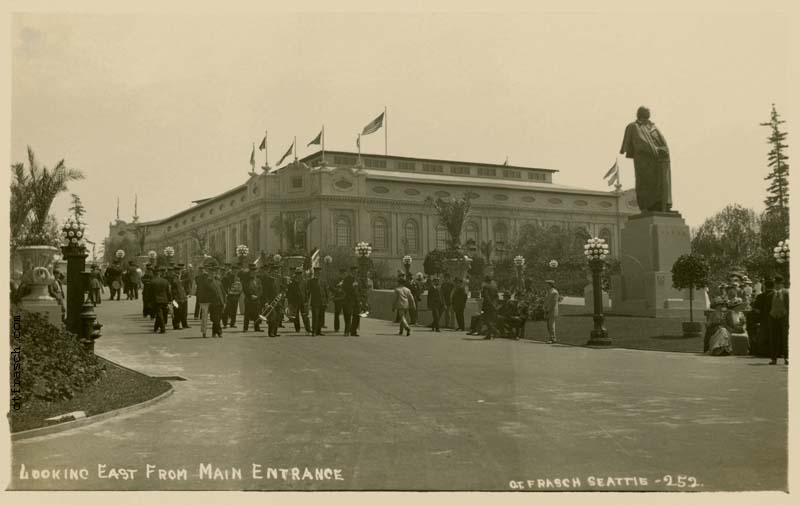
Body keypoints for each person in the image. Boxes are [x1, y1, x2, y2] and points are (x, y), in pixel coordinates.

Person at [619, 105, 672, 213]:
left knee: (662, 184)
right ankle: (649, 205)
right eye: (646, 112)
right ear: (640, 114)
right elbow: (640, 143)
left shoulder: (654, 127)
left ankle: (661, 204)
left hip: (660, 161)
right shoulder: (634, 126)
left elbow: (663, 143)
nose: (648, 114)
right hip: (645, 163)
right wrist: (656, 150)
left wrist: (664, 150)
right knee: (647, 184)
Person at [750, 278, 775, 357]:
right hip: (775, 318)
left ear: (764, 286)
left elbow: (756, 309)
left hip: (763, 318)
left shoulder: (760, 296)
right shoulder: (776, 295)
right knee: (774, 334)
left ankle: (763, 351)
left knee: (764, 335)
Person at [768, 275, 789, 365]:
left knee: (784, 338)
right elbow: (767, 307)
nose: (777, 285)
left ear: (782, 284)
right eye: (775, 284)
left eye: (779, 284)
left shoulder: (786, 294)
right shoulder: (770, 295)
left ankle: (787, 358)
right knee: (773, 338)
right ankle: (774, 358)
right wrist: (770, 314)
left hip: (784, 318)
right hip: (773, 318)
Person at [287, 267, 311, 334]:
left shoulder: (304, 281)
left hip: (303, 301)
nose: (299, 275)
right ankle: (297, 328)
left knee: (305, 315)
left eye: (300, 273)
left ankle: (308, 329)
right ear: (295, 274)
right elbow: (289, 293)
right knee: (296, 316)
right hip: (295, 301)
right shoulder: (292, 282)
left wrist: (306, 300)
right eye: (297, 273)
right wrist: (290, 303)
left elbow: (306, 292)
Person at [261, 264, 282, 338]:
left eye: (277, 271)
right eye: (275, 271)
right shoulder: (268, 280)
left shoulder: (278, 280)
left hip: (278, 301)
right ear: (272, 272)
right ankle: (270, 332)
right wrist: (266, 301)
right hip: (271, 301)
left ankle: (275, 332)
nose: (276, 273)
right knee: (272, 317)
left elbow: (279, 290)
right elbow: (265, 291)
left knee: (277, 317)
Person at [149, 267, 172, 334]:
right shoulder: (165, 281)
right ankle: (156, 327)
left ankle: (163, 328)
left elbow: (150, 293)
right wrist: (170, 299)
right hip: (165, 300)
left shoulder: (152, 281)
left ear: (154, 274)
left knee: (159, 314)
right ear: (159, 274)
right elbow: (168, 292)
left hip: (156, 300)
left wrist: (149, 302)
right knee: (162, 314)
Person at [242, 264, 263, 333]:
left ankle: (257, 328)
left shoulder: (258, 280)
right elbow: (245, 289)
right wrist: (250, 295)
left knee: (257, 314)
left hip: (257, 299)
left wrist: (258, 296)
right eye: (251, 271)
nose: (253, 272)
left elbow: (261, 290)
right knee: (247, 314)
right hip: (249, 299)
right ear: (249, 272)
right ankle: (245, 328)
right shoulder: (246, 280)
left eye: (254, 270)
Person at [194, 265, 213, 338]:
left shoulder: (201, 278)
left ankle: (206, 331)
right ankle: (204, 331)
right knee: (205, 315)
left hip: (205, 298)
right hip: (205, 299)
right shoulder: (203, 278)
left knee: (206, 315)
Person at [308, 266, 328, 336]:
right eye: (317, 273)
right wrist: (306, 301)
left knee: (320, 317)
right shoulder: (311, 281)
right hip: (315, 302)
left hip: (322, 302)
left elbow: (326, 292)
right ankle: (314, 331)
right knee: (315, 317)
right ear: (314, 273)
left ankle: (319, 331)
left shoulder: (323, 281)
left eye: (319, 273)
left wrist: (326, 302)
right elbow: (308, 292)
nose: (318, 274)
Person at [342, 266, 360, 336]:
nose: (356, 273)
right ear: (352, 271)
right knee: (348, 316)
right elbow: (344, 288)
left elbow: (359, 289)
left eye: (356, 272)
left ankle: (353, 331)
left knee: (356, 315)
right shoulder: (347, 278)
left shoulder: (357, 279)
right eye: (354, 271)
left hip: (356, 300)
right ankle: (346, 331)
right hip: (348, 300)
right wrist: (352, 287)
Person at [481, 275, 499, 340]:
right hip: (493, 305)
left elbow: (486, 297)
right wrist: (495, 305)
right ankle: (489, 335)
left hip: (488, 306)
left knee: (486, 320)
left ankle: (495, 331)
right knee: (491, 320)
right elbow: (497, 297)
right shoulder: (495, 287)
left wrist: (491, 304)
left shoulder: (485, 287)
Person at [332, 268, 346, 333]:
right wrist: (337, 290)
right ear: (340, 274)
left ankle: (347, 328)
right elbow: (331, 288)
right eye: (342, 274)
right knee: (337, 314)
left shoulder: (346, 281)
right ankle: (336, 328)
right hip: (338, 299)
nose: (343, 275)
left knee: (347, 315)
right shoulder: (336, 280)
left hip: (345, 299)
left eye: (344, 274)